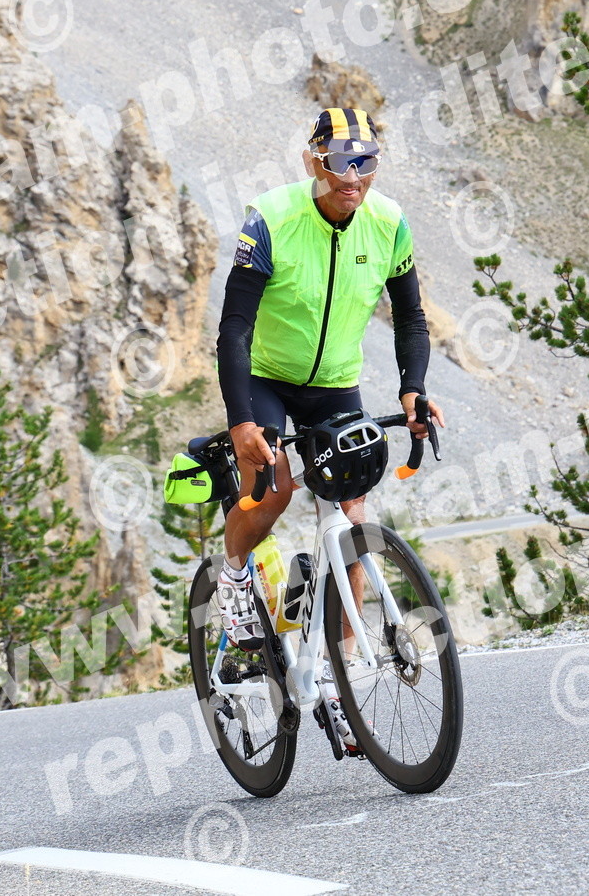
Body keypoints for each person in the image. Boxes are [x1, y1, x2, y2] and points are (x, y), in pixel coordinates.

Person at [214, 106, 444, 749]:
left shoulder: (389, 223)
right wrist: (242, 421)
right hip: (266, 377)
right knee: (275, 488)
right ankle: (233, 577)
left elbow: (411, 318)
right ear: (313, 161)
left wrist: (413, 388)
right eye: (341, 162)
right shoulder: (271, 218)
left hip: (336, 383)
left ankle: (340, 676)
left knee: (353, 516)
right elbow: (233, 329)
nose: (353, 177)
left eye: (366, 162)